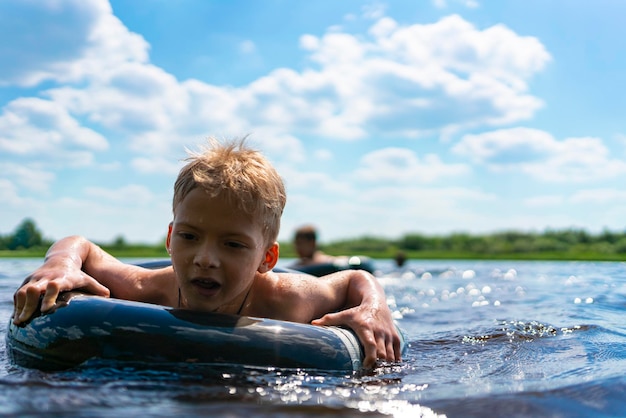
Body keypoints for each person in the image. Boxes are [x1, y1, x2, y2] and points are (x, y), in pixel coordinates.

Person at [12, 138, 401, 368]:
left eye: (232, 244)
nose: (205, 258)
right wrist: (60, 264)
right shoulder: (150, 287)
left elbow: (355, 279)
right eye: (189, 236)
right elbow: (80, 244)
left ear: (267, 258)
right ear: (169, 239)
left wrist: (374, 308)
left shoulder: (290, 301)